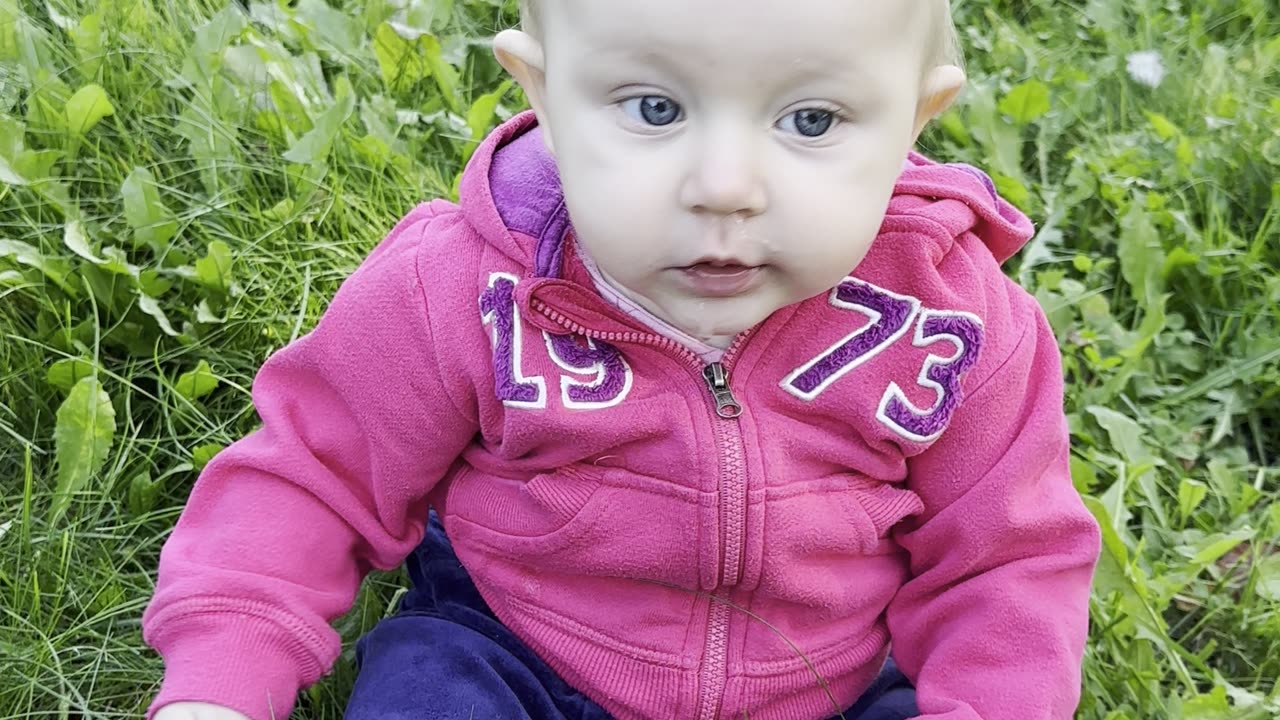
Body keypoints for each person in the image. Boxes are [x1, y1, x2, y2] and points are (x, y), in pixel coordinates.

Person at [145, 1, 1102, 719]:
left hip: (829, 681)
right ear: (545, 96)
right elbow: (313, 479)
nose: (725, 186)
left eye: (811, 121)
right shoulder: (463, 288)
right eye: (653, 107)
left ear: (914, 121)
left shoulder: (953, 320)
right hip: (519, 655)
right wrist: (221, 681)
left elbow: (1004, 559)